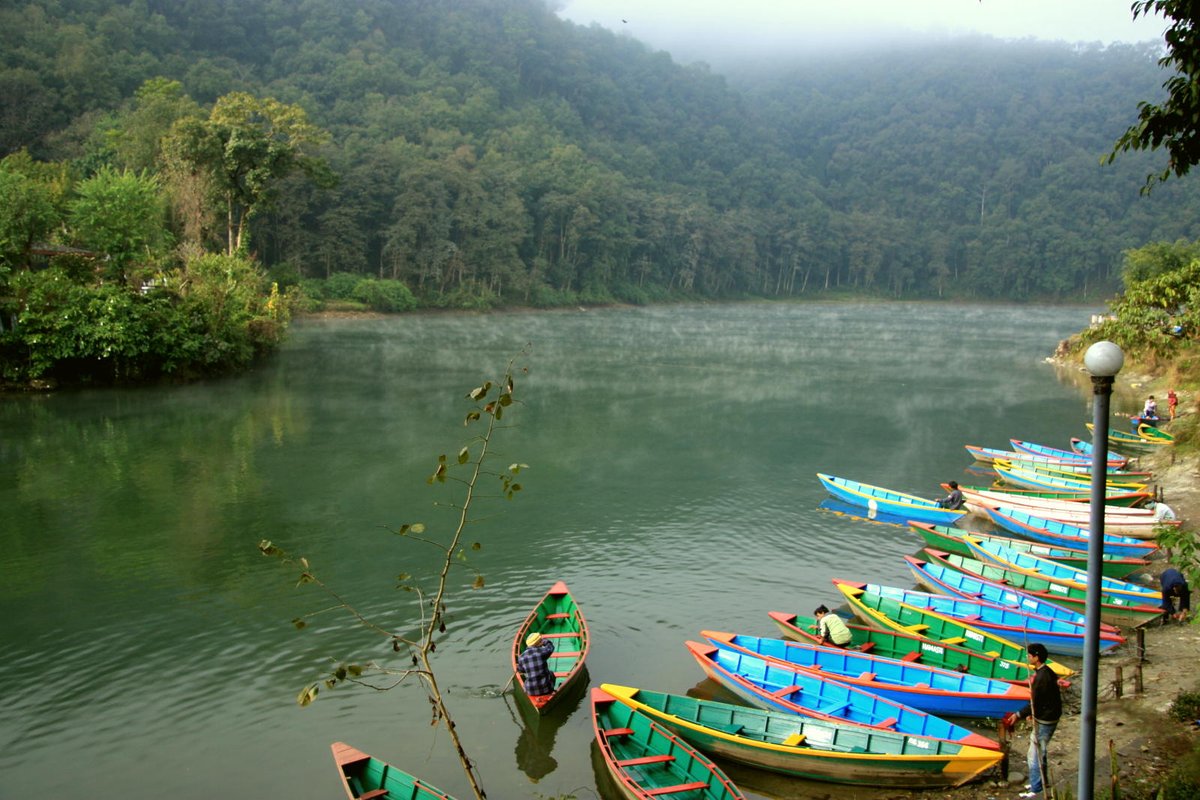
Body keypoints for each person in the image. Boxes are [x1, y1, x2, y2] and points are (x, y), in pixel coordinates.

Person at [1009, 643, 1062, 799]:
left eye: (1030, 655)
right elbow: (1046, 699)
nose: (1028, 658)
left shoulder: (1041, 677)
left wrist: (1017, 715)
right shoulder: (1048, 672)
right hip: (1048, 716)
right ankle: (1040, 782)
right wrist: (1034, 714)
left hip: (1046, 720)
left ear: (1036, 657)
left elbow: (1035, 701)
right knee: (1040, 752)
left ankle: (1036, 789)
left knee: (1034, 755)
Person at [516, 632, 556, 698]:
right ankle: (551, 692)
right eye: (540, 641)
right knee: (551, 673)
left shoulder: (521, 657)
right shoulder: (542, 651)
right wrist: (545, 641)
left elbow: (521, 670)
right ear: (538, 643)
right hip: (546, 689)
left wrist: (519, 668)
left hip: (530, 691)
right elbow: (551, 647)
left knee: (527, 680)